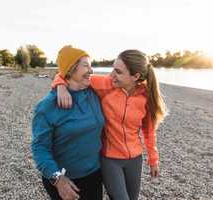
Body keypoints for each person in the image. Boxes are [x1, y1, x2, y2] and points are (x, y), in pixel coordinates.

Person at [52, 49, 167, 200]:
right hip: (110, 159)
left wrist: (153, 160)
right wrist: (60, 86)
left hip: (135, 159)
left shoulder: (145, 95)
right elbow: (69, 75)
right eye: (113, 68)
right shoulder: (105, 84)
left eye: (118, 72)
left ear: (136, 76)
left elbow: (149, 131)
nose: (112, 74)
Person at [31, 45, 105, 200]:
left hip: (94, 174)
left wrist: (60, 82)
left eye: (91, 66)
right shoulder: (47, 106)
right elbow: (39, 147)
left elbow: (125, 81)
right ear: (71, 69)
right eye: (86, 65)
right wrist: (57, 179)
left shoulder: (94, 93)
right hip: (65, 178)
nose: (91, 70)